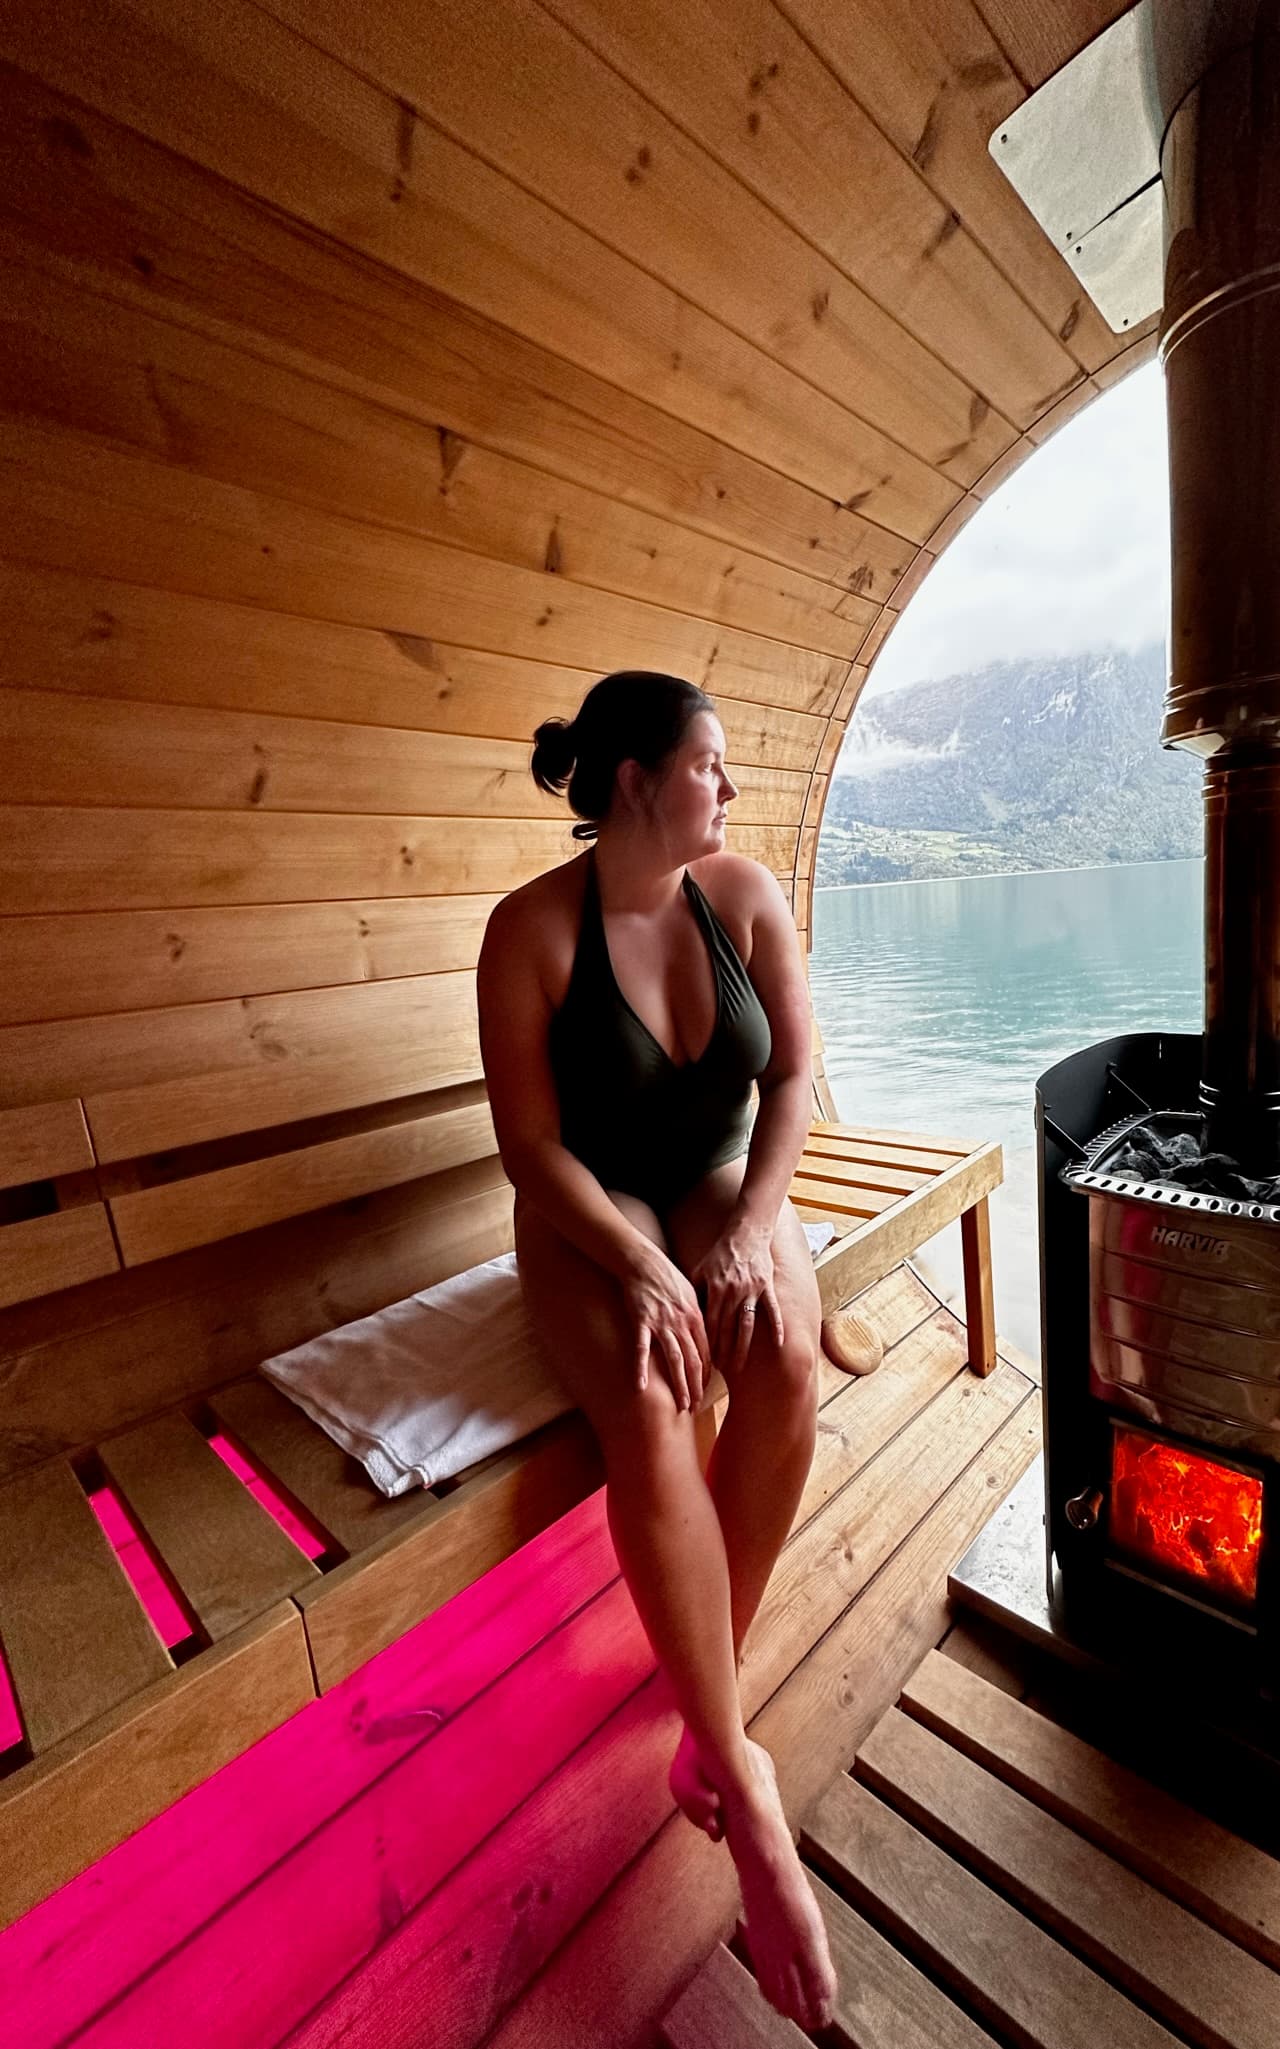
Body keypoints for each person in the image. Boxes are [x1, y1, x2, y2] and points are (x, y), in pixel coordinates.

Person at [476, 671, 839, 2032]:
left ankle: (708, 1693)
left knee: (786, 1355)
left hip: (711, 1176)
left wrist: (750, 1230)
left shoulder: (740, 896)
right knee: (647, 1384)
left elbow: (794, 1074)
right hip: (591, 1204)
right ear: (634, 778)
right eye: (711, 762)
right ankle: (742, 1778)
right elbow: (532, 1147)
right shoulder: (529, 933)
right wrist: (642, 1264)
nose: (730, 788)